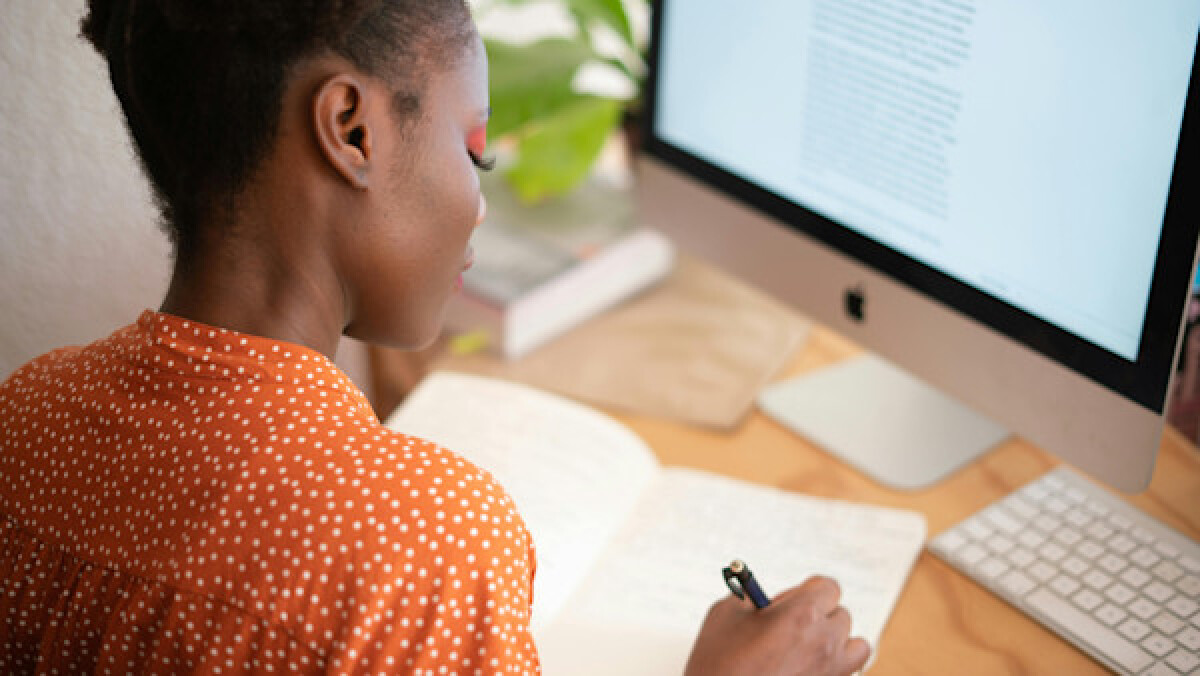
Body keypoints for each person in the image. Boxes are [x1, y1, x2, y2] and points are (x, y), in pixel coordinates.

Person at [0, 1, 871, 673]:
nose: (480, 201)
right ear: (351, 129)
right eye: (474, 150)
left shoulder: (24, 417)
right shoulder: (426, 550)